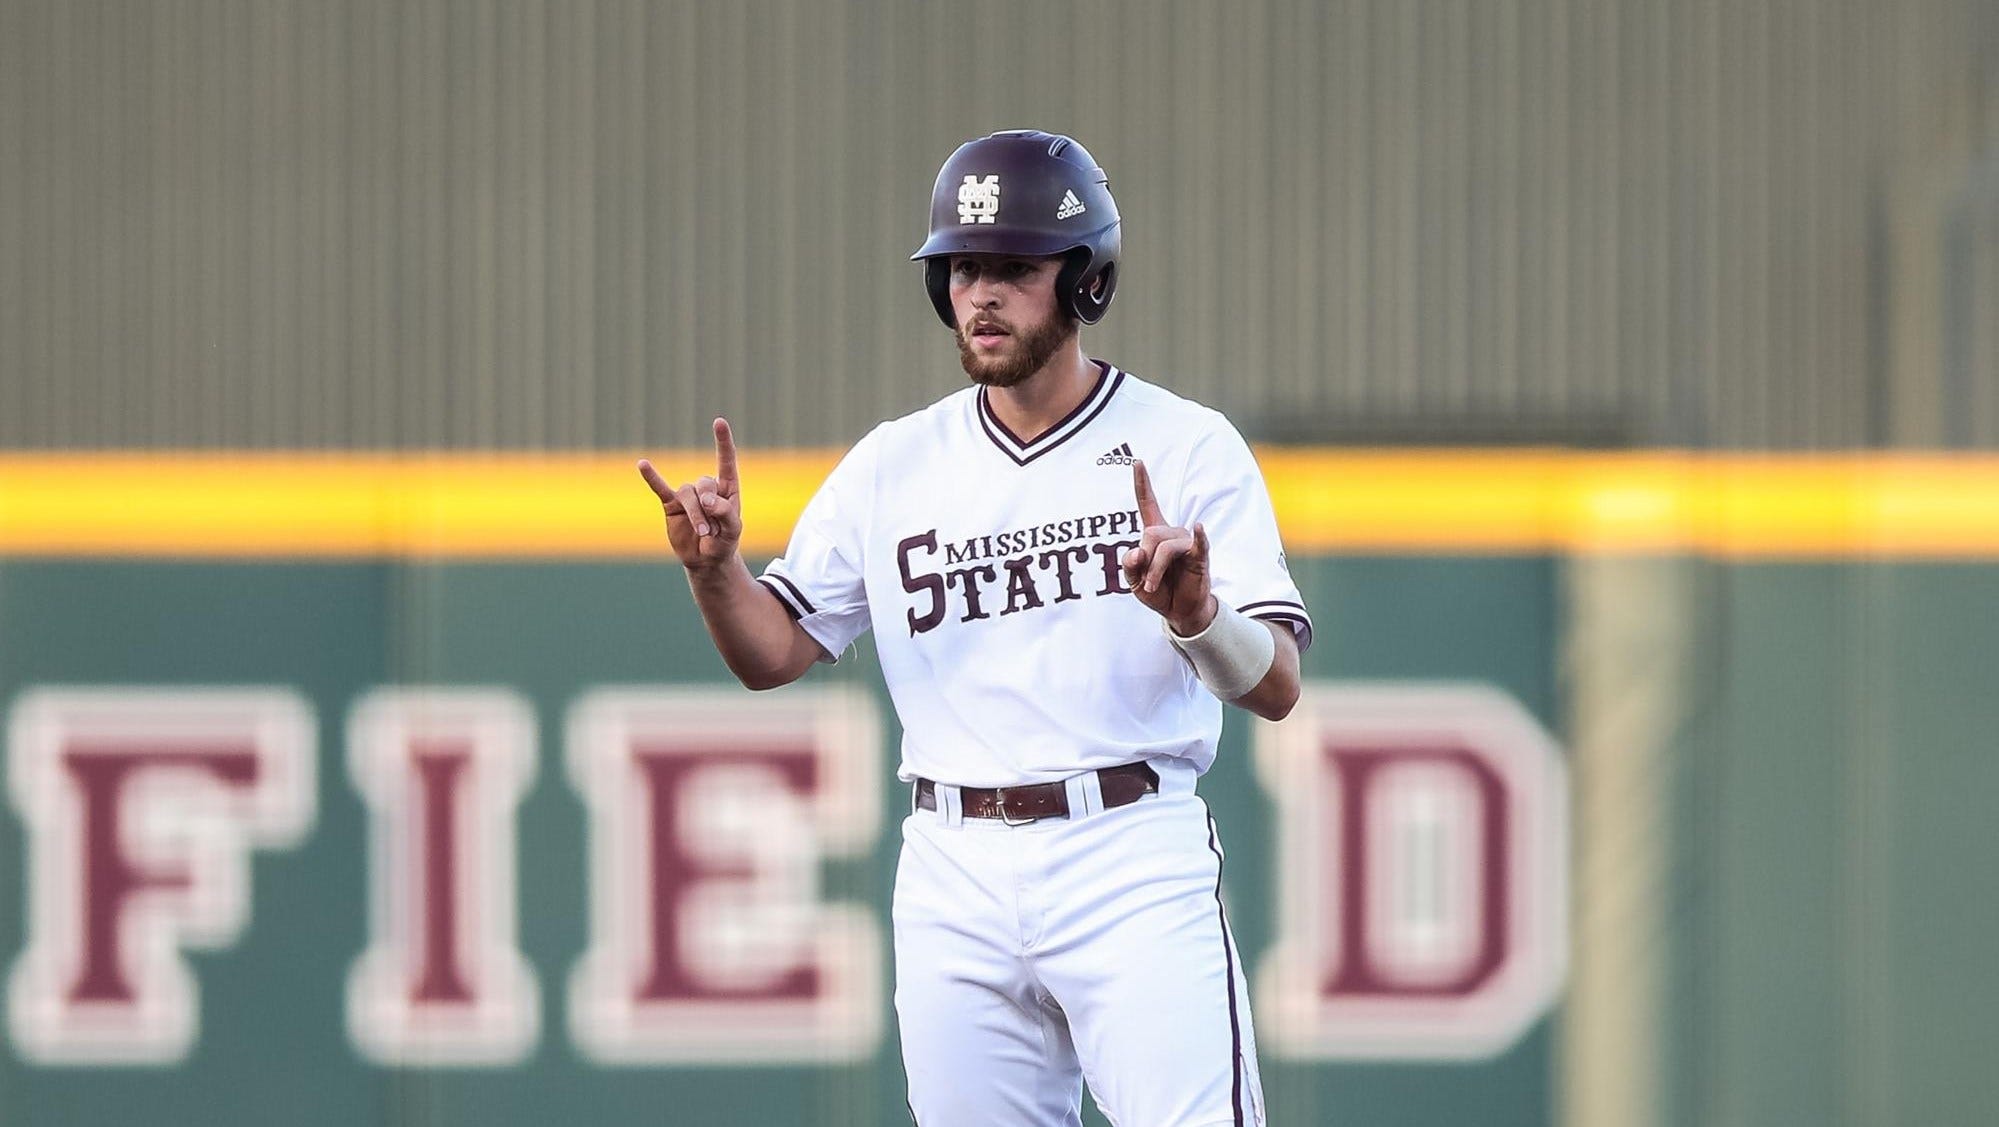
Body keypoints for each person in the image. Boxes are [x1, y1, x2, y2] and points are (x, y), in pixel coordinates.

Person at [639, 129, 1309, 1127]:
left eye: (1012, 267)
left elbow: (1277, 681)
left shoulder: (1183, 442)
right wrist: (714, 571)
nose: (981, 292)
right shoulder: (894, 463)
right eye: (960, 268)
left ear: (1084, 281)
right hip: (953, 867)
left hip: (1127, 848)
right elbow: (771, 650)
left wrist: (1198, 617)